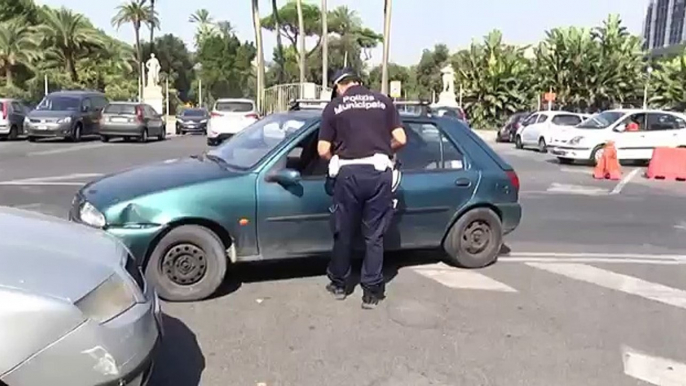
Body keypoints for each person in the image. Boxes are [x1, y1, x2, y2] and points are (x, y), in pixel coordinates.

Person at [317, 68, 407, 309]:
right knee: (374, 236)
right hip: (379, 173)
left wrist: (339, 155)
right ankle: (371, 292)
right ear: (359, 82)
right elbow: (401, 139)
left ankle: (338, 284)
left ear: (338, 86)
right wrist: (382, 149)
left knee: (343, 232)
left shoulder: (335, 107)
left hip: (349, 175)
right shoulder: (383, 101)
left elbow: (323, 150)